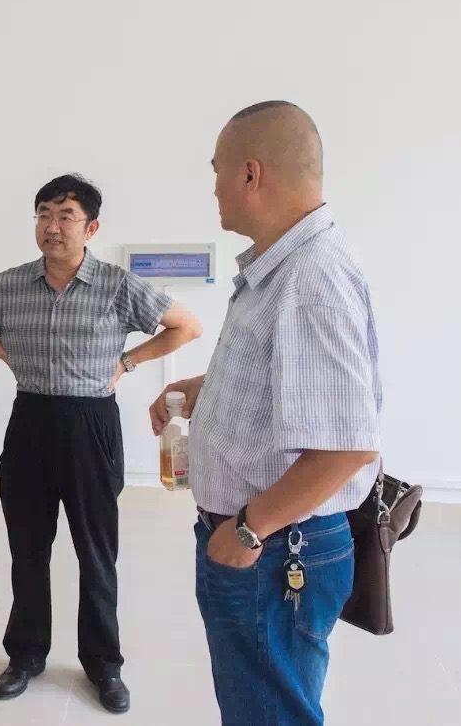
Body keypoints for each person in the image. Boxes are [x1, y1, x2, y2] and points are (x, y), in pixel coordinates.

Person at [150, 101, 381, 725]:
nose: (214, 188)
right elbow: (294, 382)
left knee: (269, 713)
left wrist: (250, 530)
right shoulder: (283, 268)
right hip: (269, 542)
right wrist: (210, 385)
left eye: (218, 171)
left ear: (251, 174)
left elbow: (348, 444)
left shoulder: (310, 277)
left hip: (276, 547)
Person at [0, 174, 203, 714]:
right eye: (44, 213)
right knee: (27, 548)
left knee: (96, 552)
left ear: (91, 228)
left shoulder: (116, 285)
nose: (52, 225)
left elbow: (185, 326)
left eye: (65, 215)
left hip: (91, 425)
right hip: (30, 422)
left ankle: (103, 665)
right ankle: (25, 655)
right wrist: (7, 353)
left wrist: (127, 362)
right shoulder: (10, 284)